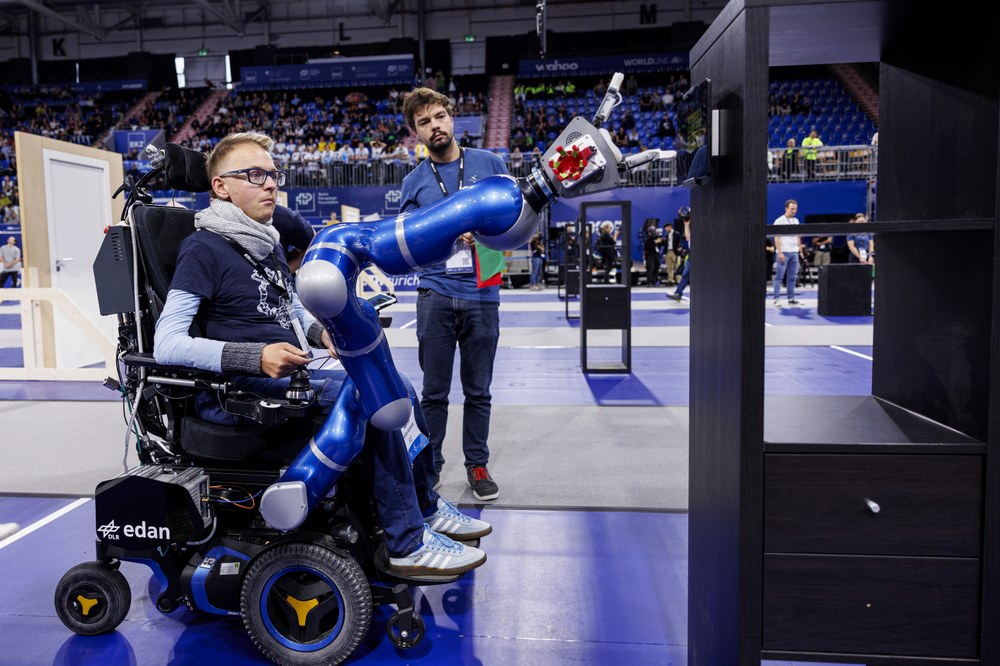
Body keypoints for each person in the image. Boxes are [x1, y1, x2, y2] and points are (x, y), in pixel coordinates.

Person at [154, 131, 489, 577]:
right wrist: (252, 358)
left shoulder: (265, 241)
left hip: (288, 371)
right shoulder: (203, 248)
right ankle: (407, 542)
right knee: (370, 392)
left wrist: (319, 331)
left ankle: (425, 507)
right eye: (255, 175)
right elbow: (168, 342)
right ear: (221, 187)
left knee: (398, 386)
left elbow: (288, 305)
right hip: (234, 393)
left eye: (273, 174)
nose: (271, 184)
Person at [399, 88, 508, 501]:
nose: (435, 126)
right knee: (434, 392)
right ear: (416, 133)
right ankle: (432, 465)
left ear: (452, 118)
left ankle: (477, 465)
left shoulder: (489, 164)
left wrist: (480, 231)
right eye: (425, 122)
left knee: (479, 390)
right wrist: (445, 233)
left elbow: (515, 217)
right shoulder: (414, 181)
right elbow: (408, 240)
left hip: (483, 291)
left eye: (440, 116)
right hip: (435, 293)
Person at [772, 199, 805, 306]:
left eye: (795, 209)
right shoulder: (779, 221)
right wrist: (780, 252)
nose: (794, 211)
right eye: (792, 209)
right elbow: (776, 238)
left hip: (794, 252)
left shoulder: (796, 221)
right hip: (783, 252)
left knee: (792, 277)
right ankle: (776, 299)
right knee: (779, 277)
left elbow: (798, 237)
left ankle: (791, 298)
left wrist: (800, 251)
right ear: (786, 208)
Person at [668, 213, 693, 302]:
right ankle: (678, 294)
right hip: (691, 255)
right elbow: (688, 238)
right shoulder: (689, 228)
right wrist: (686, 225)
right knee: (685, 274)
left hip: (700, 254)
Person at [662, 221, 682, 286]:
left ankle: (679, 281)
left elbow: (680, 243)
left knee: (677, 266)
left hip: (675, 252)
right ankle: (671, 280)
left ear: (670, 227)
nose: (665, 229)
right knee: (669, 267)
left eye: (666, 227)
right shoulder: (666, 235)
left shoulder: (677, 234)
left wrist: (678, 251)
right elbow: (665, 245)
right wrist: (664, 253)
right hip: (668, 252)